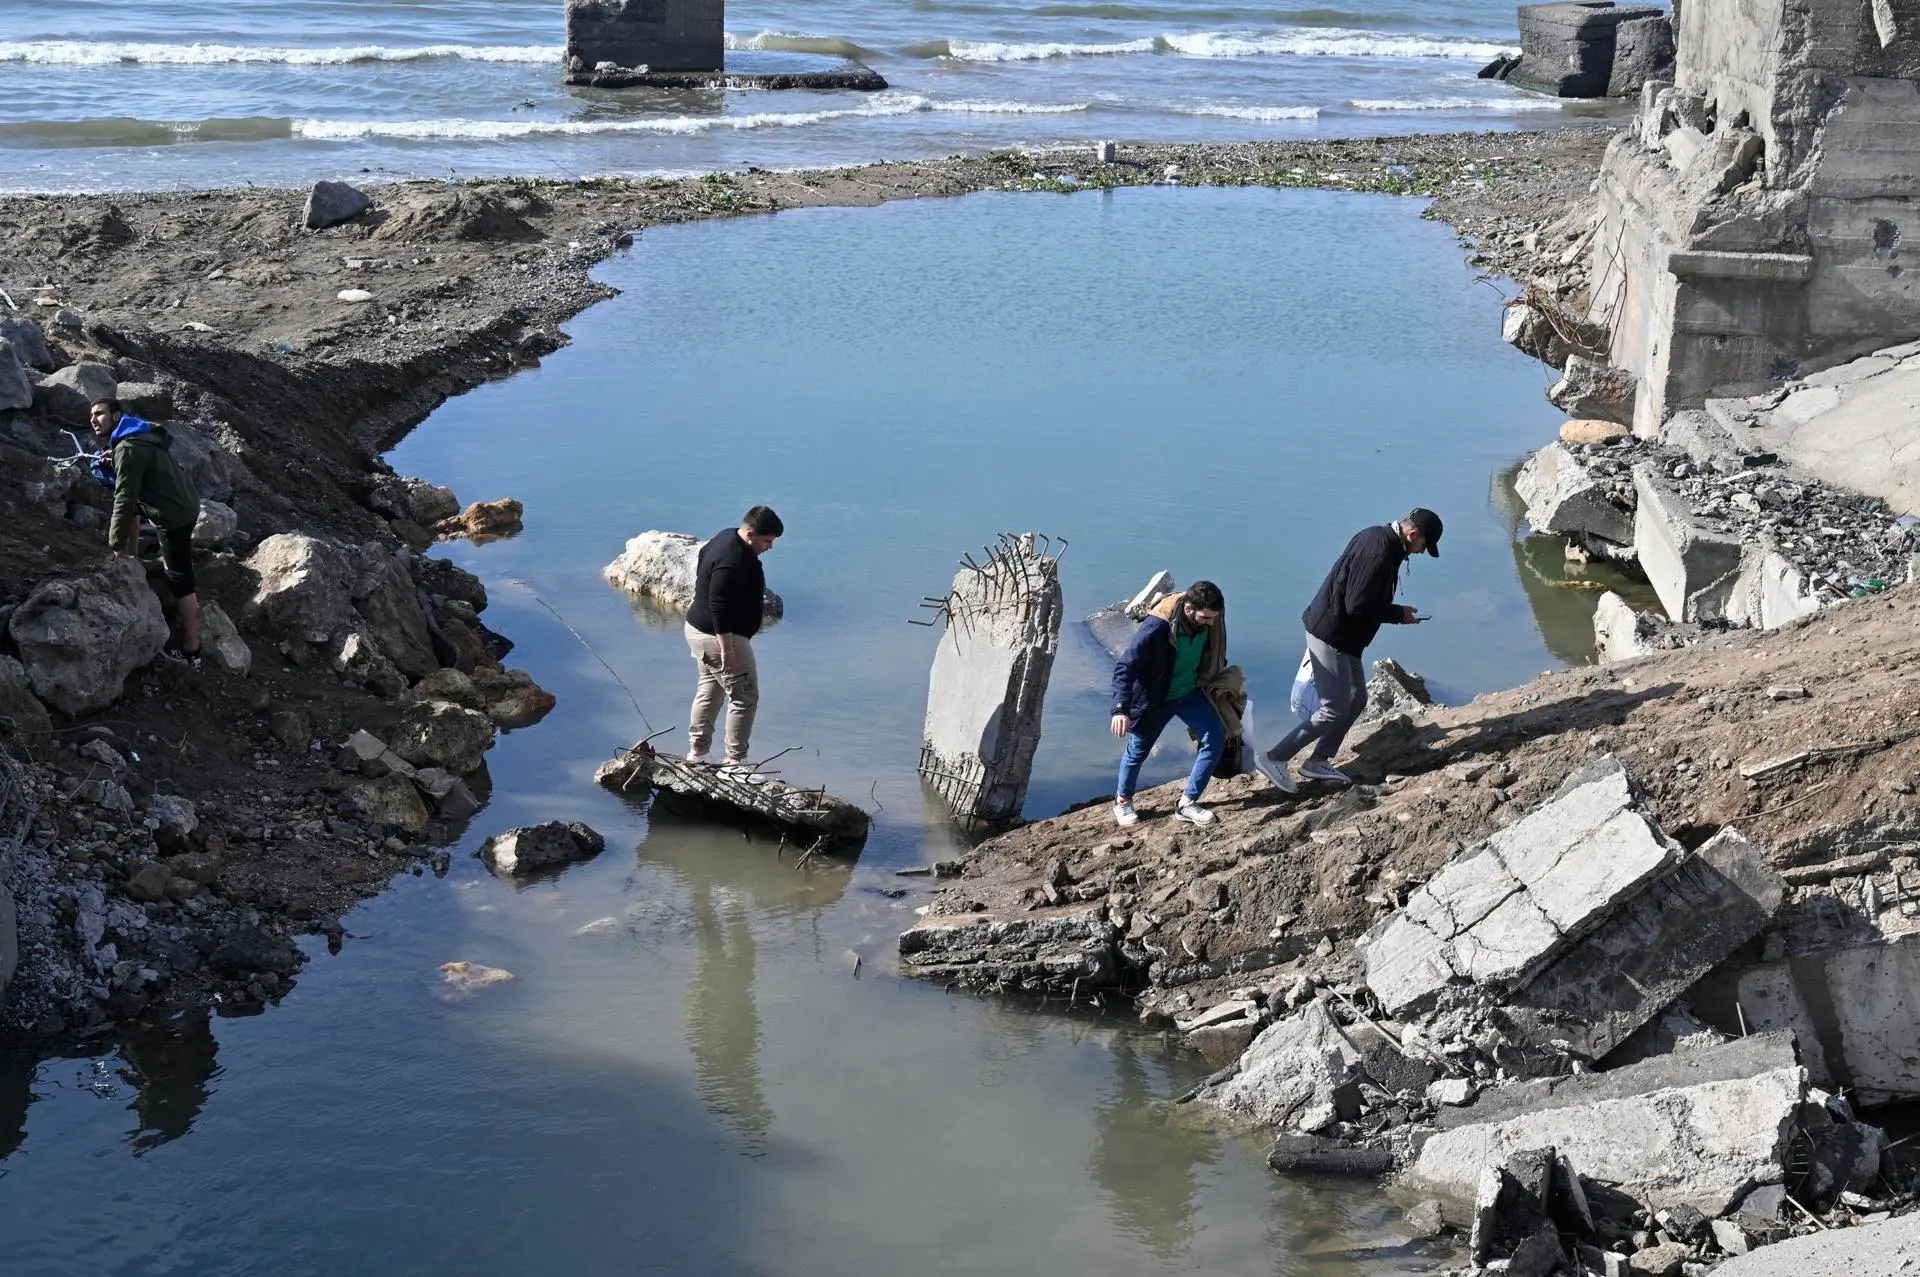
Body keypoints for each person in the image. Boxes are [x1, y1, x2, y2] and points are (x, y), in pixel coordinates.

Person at [1255, 509, 1442, 794]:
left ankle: (1318, 761)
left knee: (1356, 698)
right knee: (1333, 709)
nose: (1420, 552)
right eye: (1422, 547)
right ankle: (1274, 758)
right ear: (1412, 535)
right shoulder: (1379, 554)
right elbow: (1357, 605)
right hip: (1331, 634)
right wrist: (1397, 614)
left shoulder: (1377, 537)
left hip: (1345, 637)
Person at [88, 397, 203, 666]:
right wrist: (115, 456)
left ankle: (192, 650)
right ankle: (134, 556)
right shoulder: (137, 434)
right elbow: (136, 465)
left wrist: (114, 544)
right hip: (185, 502)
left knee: (180, 579)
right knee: (138, 510)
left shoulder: (127, 448)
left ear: (117, 416)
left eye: (100, 414)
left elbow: (125, 497)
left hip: (173, 515)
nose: (93, 420)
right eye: (91, 415)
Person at [1110, 580, 1229, 828]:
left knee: (1216, 735)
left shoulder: (1212, 617)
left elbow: (1214, 653)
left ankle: (1187, 803)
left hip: (1189, 692)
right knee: (1138, 750)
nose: (1211, 623)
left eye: (1213, 618)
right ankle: (1122, 801)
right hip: (1157, 697)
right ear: (1188, 610)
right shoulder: (1157, 627)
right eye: (1206, 618)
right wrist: (1120, 709)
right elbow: (1125, 665)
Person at [684, 506, 782, 778]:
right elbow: (718, 605)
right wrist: (727, 650)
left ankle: (698, 754)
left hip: (698, 629)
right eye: (767, 541)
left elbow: (706, 573)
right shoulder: (732, 559)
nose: (770, 547)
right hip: (720, 637)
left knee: (710, 688)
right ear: (750, 533)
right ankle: (735, 763)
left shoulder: (725, 536)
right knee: (744, 695)